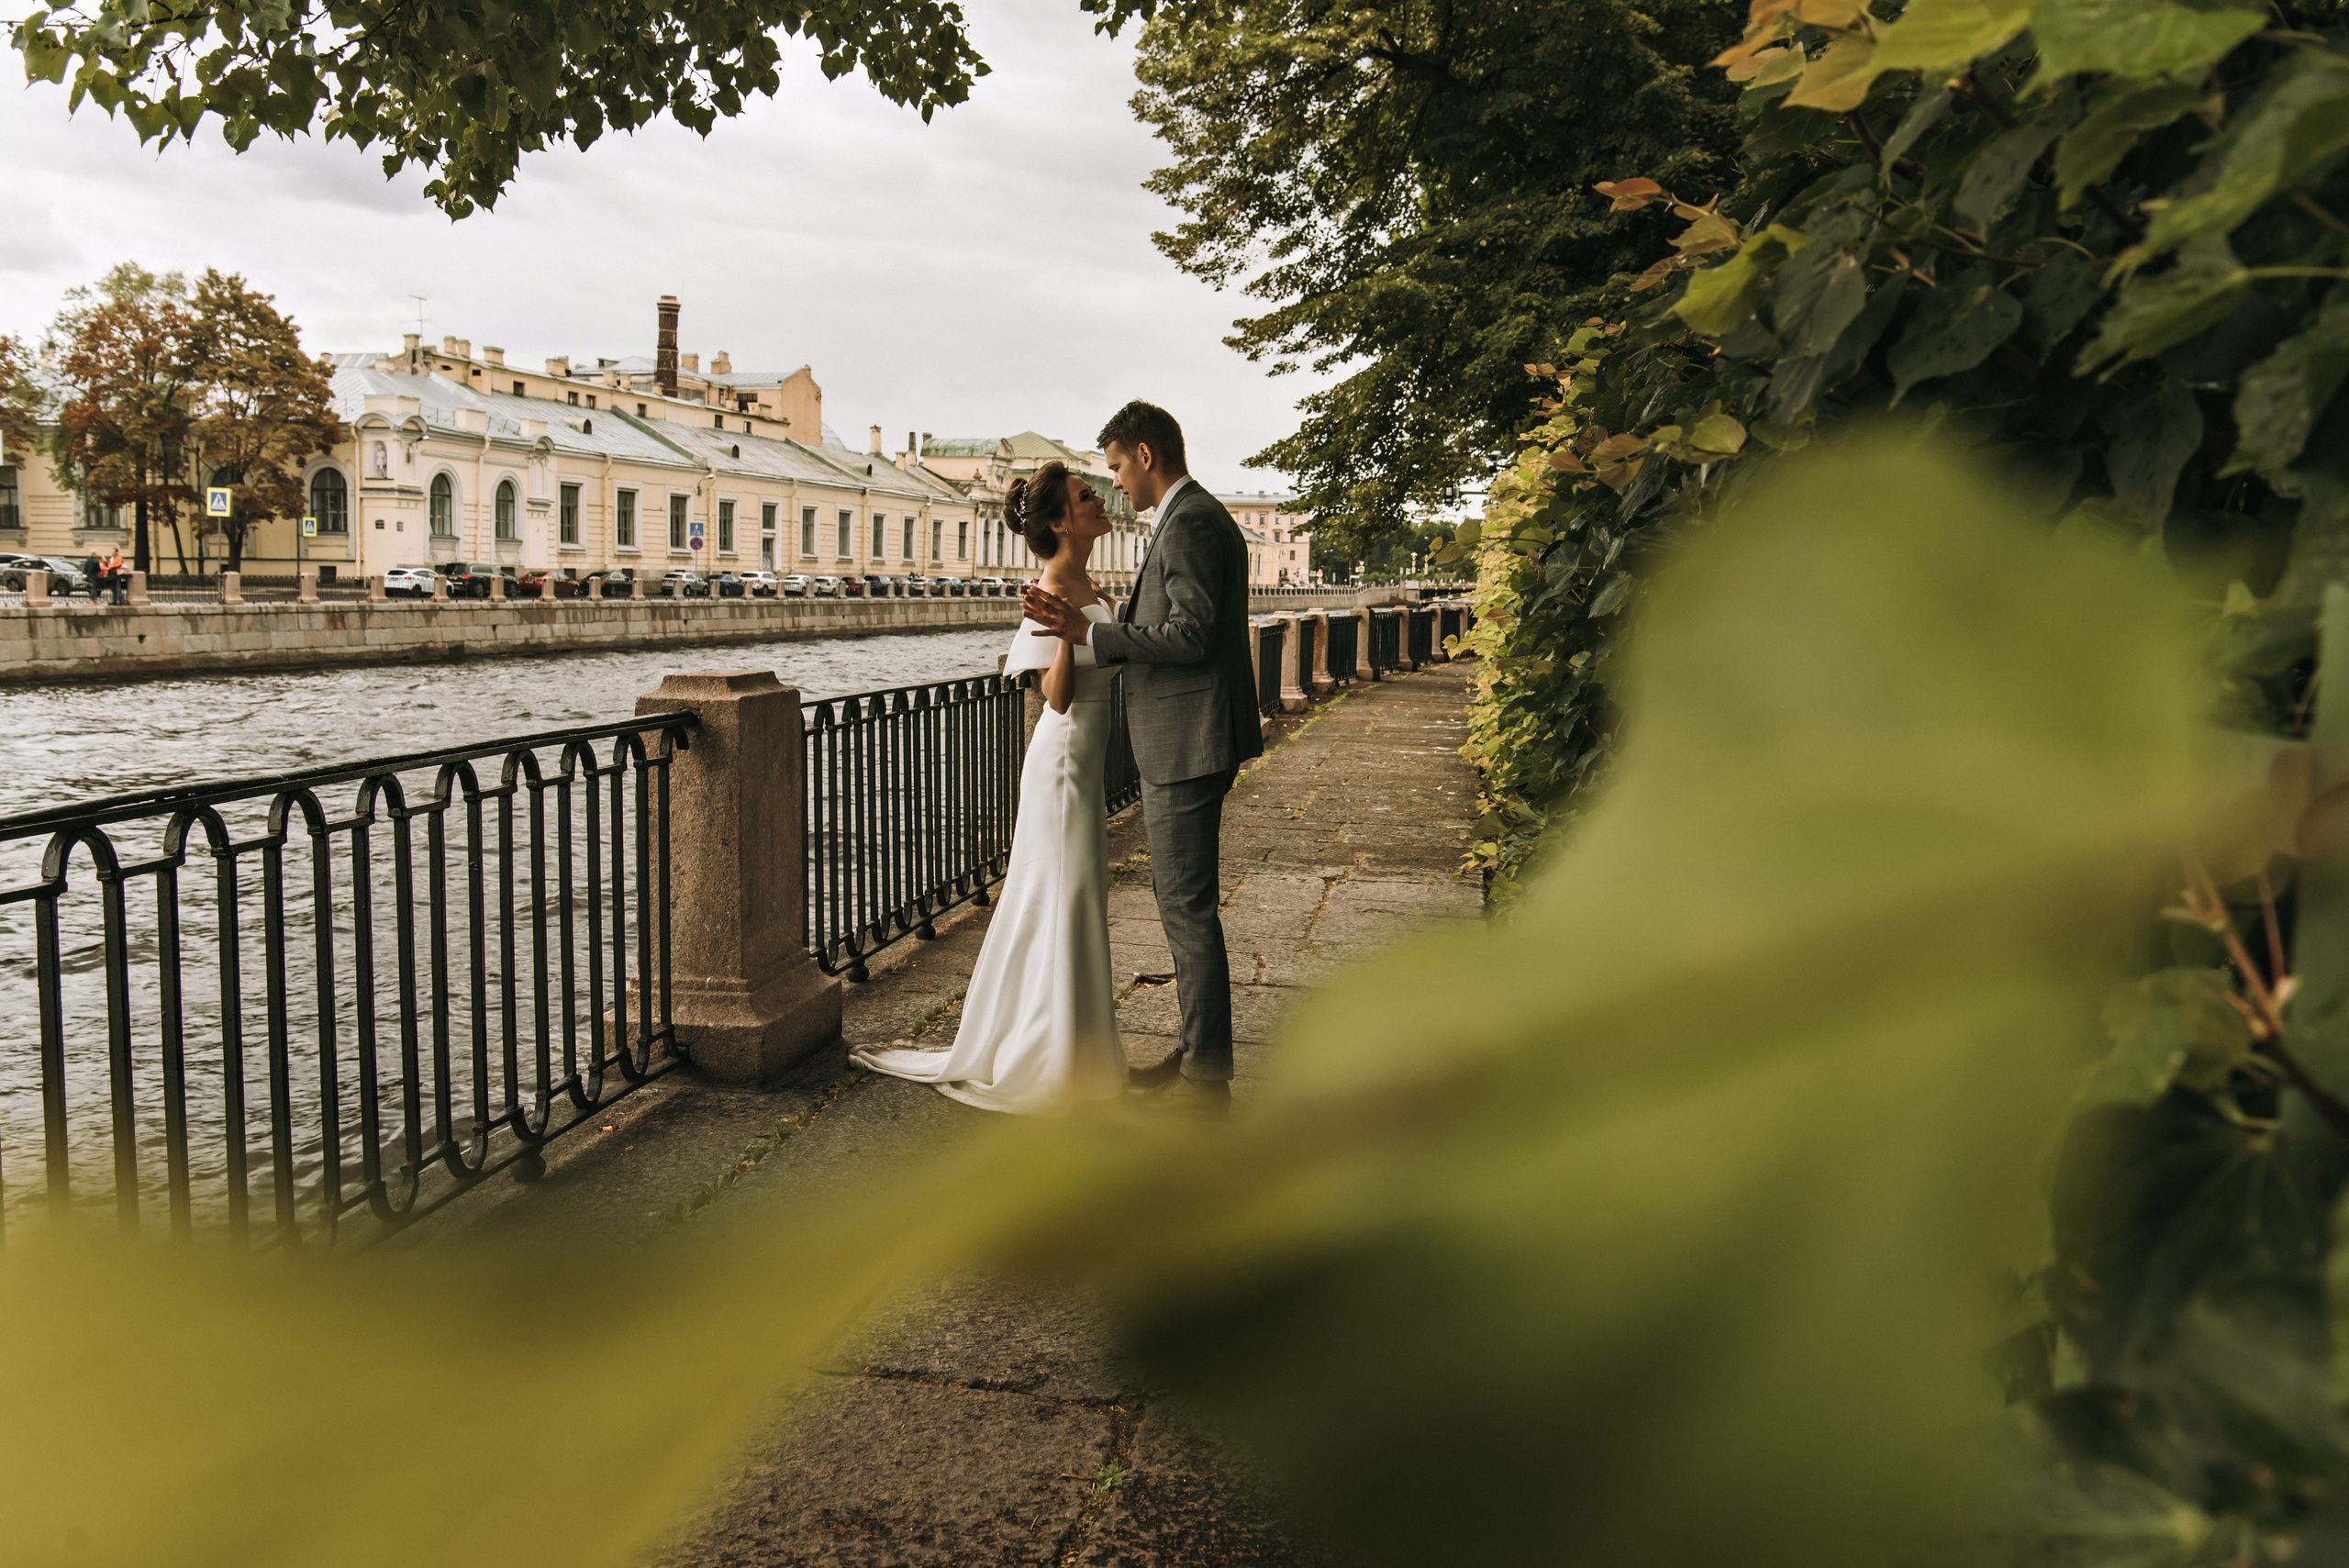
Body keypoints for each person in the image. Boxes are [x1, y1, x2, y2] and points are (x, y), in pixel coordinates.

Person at [852, 462, 1130, 1113]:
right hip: (1061, 761)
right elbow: (1055, 700)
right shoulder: (1053, 585)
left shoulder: (1090, 582)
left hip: (1087, 761)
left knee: (1078, 895)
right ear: (1061, 520)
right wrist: (1067, 636)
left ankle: (1082, 1049)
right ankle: (1053, 1057)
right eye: (1087, 496)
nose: (1100, 500)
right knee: (1065, 893)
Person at [1022, 402, 1261, 1115]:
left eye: (1119, 466)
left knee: (1185, 909)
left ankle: (1206, 1080)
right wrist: (1113, 623)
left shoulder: (1187, 521)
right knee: (1185, 904)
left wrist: (1096, 636)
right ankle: (1197, 1052)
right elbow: (1182, 624)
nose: (1118, 483)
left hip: (1185, 741)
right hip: (1190, 736)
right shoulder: (1195, 516)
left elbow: (1188, 635)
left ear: (1147, 455)